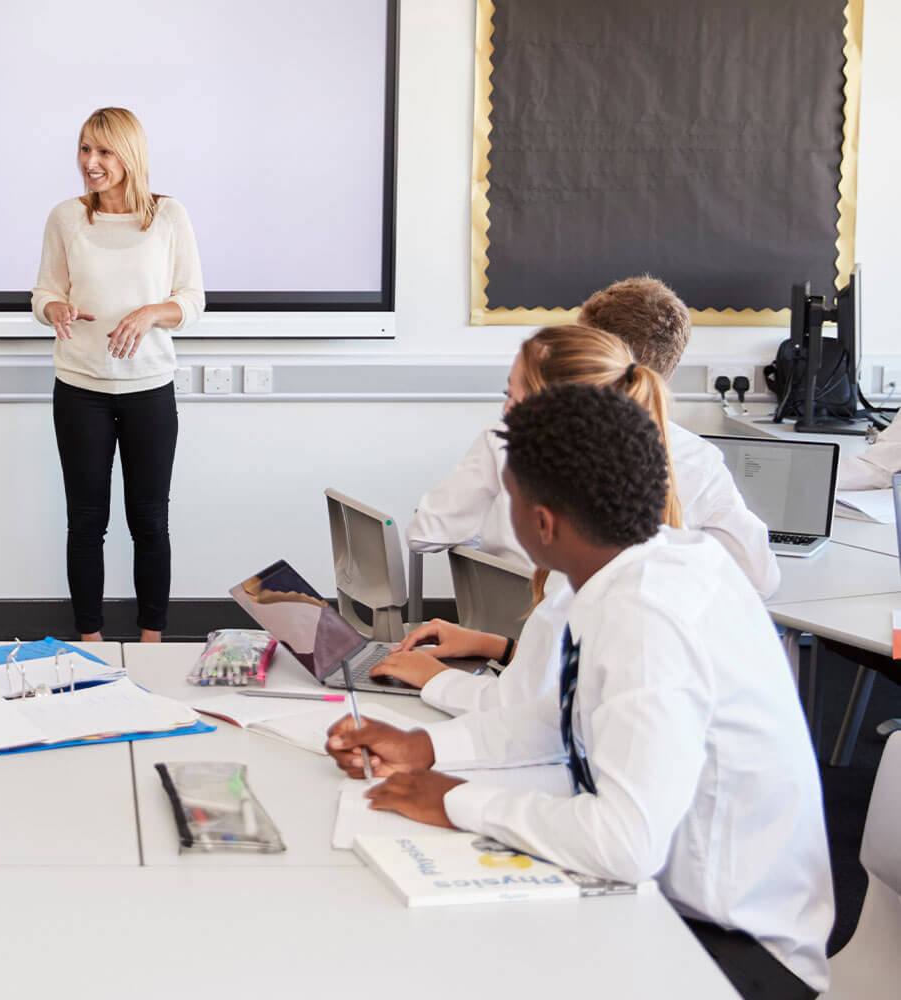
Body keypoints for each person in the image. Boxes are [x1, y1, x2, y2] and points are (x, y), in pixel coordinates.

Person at [328, 385, 833, 999]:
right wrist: (428, 748)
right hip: (680, 901)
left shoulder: (648, 613)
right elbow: (564, 715)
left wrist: (456, 800)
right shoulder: (647, 563)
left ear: (539, 522)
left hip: (732, 951)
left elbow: (624, 845)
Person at [375, 325, 755, 717]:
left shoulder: (629, 598)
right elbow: (564, 687)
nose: (505, 411)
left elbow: (539, 719)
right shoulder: (606, 560)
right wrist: (497, 646)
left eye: (512, 396)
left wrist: (435, 681)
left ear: (542, 517)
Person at [407, 276, 779, 599]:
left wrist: (482, 549)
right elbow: (760, 578)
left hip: (521, 646)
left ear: (586, 351)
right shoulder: (698, 459)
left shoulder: (512, 441)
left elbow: (425, 532)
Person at [31, 107, 204, 643]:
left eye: (103, 152)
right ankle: (91, 641)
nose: (90, 162)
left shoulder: (168, 216)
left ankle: (153, 641)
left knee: (149, 523)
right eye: (85, 149)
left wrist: (153, 312)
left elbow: (192, 300)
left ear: (129, 155)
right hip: (80, 389)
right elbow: (44, 292)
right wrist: (54, 309)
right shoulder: (66, 217)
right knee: (85, 524)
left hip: (149, 390)